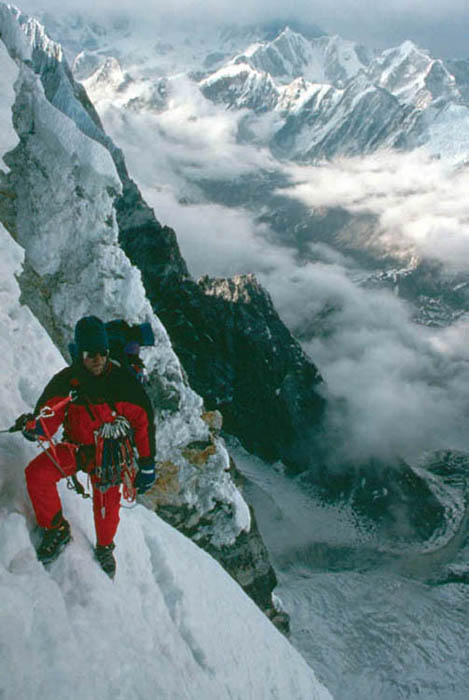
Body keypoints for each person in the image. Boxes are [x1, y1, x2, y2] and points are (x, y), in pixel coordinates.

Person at [22, 316, 156, 578]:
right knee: (37, 474)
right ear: (79, 353)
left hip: (109, 456)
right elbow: (50, 415)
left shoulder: (123, 383)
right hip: (77, 450)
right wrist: (37, 428)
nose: (97, 359)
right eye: (90, 353)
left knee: (106, 510)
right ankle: (55, 528)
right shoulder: (68, 382)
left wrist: (148, 463)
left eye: (102, 353)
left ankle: (105, 547)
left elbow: (143, 423)